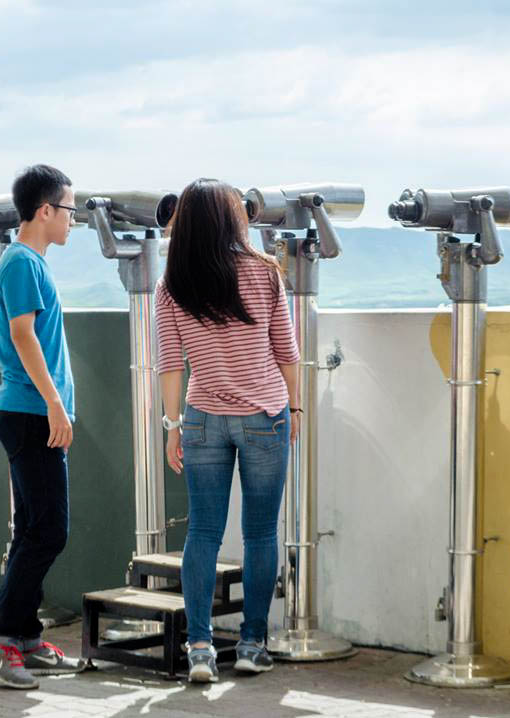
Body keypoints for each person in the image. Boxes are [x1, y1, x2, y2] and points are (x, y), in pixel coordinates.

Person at [155, 178, 299, 683]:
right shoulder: (264, 273)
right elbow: (287, 352)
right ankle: (252, 644)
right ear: (230, 219)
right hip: (264, 417)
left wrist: (172, 426)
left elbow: (170, 364)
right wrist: (295, 410)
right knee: (259, 532)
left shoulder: (172, 283)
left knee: (202, 533)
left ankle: (199, 649)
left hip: (201, 420)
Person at [0, 164, 86, 689]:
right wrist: (55, 404)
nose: (74, 220)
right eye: (70, 209)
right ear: (45, 211)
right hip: (29, 412)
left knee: (33, 532)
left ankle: (24, 636)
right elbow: (23, 337)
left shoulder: (30, 262)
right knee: (49, 531)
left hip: (31, 412)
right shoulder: (21, 263)